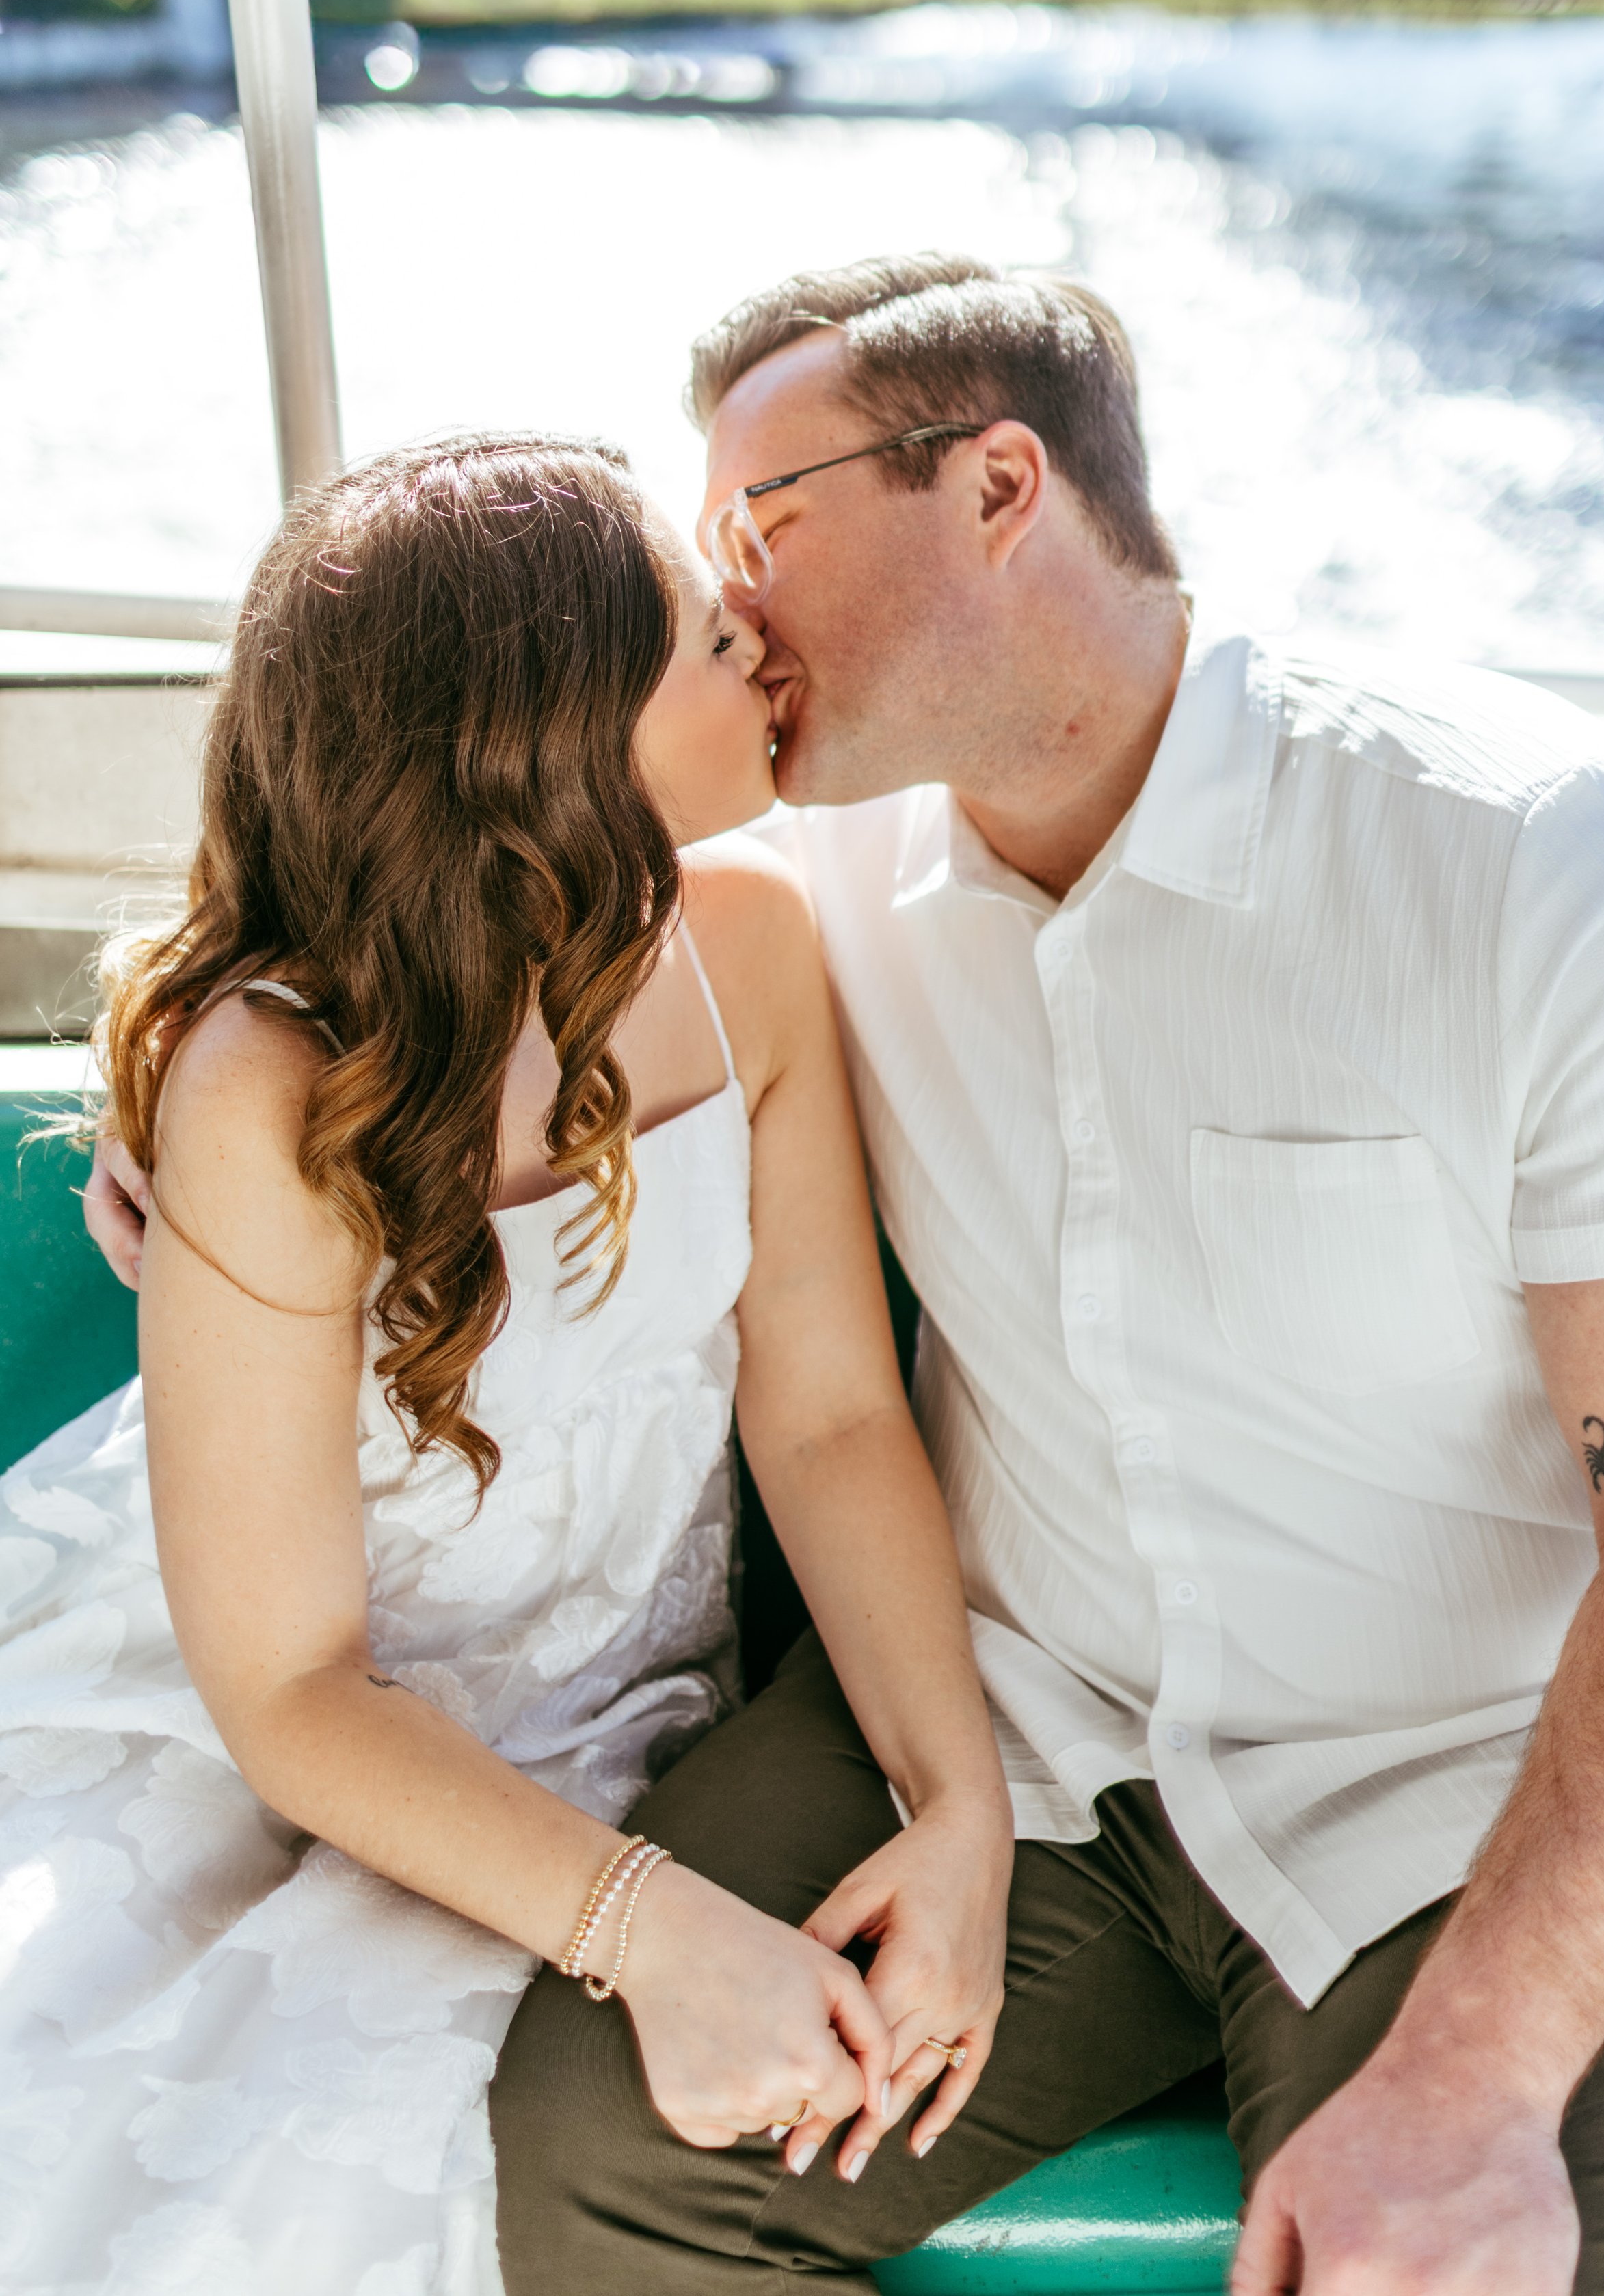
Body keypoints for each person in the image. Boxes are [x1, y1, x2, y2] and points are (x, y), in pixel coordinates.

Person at [468, 258, 1604, 2296]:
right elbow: (415, 889)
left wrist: (1475, 2079)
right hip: (1014, 1734)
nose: (732, 610)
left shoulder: (1534, 862)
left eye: (760, 532)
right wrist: (191, 1105)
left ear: (997, 485)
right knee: (602, 2150)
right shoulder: (811, 877)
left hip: (1460, 1785)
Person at [8, 431, 1013, 2295]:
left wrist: (958, 1802)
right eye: (709, 644)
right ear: (547, 745)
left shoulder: (755, 944)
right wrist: (658, 1933)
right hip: (272, 1707)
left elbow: (829, 1410)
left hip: (608, 1706)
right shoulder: (273, 1085)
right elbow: (292, 1687)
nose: (764, 649)